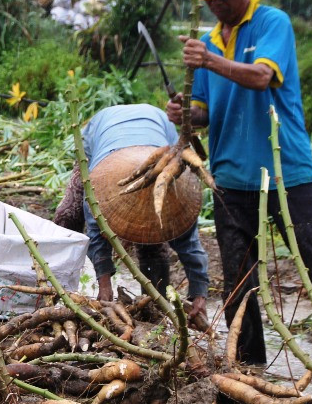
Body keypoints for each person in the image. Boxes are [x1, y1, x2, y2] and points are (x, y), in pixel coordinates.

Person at [164, 0, 312, 377]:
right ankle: (250, 372)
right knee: (238, 283)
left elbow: (260, 78)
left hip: (286, 175)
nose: (217, 5)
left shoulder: (274, 24)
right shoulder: (210, 41)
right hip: (232, 180)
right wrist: (184, 112)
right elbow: (208, 113)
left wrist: (210, 61)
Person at [54, 104, 210, 327]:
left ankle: (156, 309)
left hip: (158, 133)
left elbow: (190, 244)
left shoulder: (177, 196)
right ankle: (56, 286)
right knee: (67, 216)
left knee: (152, 245)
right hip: (103, 137)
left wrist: (199, 294)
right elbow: (97, 233)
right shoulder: (99, 184)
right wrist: (104, 286)